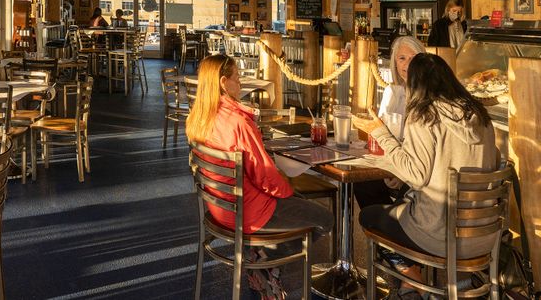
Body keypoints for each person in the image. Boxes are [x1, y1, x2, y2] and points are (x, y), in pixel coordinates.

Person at [186, 54, 333, 299]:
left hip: (220, 208)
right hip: (250, 212)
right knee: (324, 218)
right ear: (224, 82)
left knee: (295, 199)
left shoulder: (199, 117)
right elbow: (265, 176)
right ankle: (267, 262)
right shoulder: (238, 123)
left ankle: (262, 257)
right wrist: (287, 185)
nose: (241, 82)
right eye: (237, 77)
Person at [352, 53, 498, 297]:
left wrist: (380, 132)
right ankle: (413, 282)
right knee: (401, 201)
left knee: (370, 216)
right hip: (485, 235)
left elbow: (416, 176)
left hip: (439, 235)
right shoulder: (480, 116)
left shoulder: (424, 116)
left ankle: (413, 281)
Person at [353, 36, 426, 209]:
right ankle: (384, 225)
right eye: (402, 58)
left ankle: (395, 225)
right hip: (393, 163)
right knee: (362, 181)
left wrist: (402, 174)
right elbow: (381, 136)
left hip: (417, 175)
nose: (407, 64)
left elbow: (425, 154)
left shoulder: (428, 98)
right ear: (394, 63)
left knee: (409, 191)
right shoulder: (393, 92)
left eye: (414, 58)